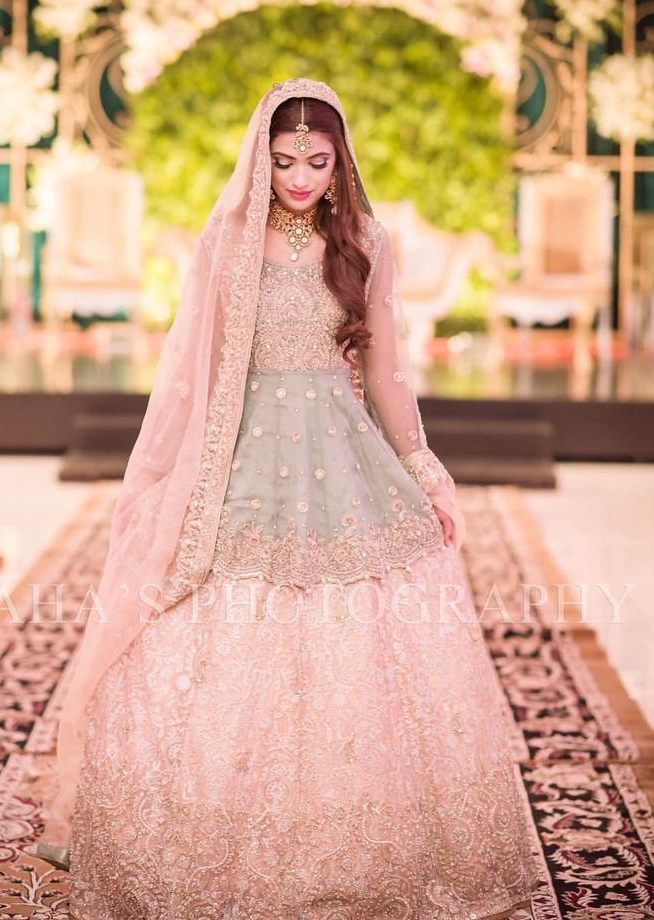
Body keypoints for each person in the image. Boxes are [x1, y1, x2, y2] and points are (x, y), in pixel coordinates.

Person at [35, 77, 544, 918]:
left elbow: (386, 373)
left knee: (365, 638)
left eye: (317, 160)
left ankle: (361, 836)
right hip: (246, 456)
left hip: (346, 457)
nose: (300, 177)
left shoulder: (368, 242)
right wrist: (176, 482)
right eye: (283, 161)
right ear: (259, 159)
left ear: (341, 160)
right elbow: (193, 372)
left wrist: (420, 465)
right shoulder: (227, 243)